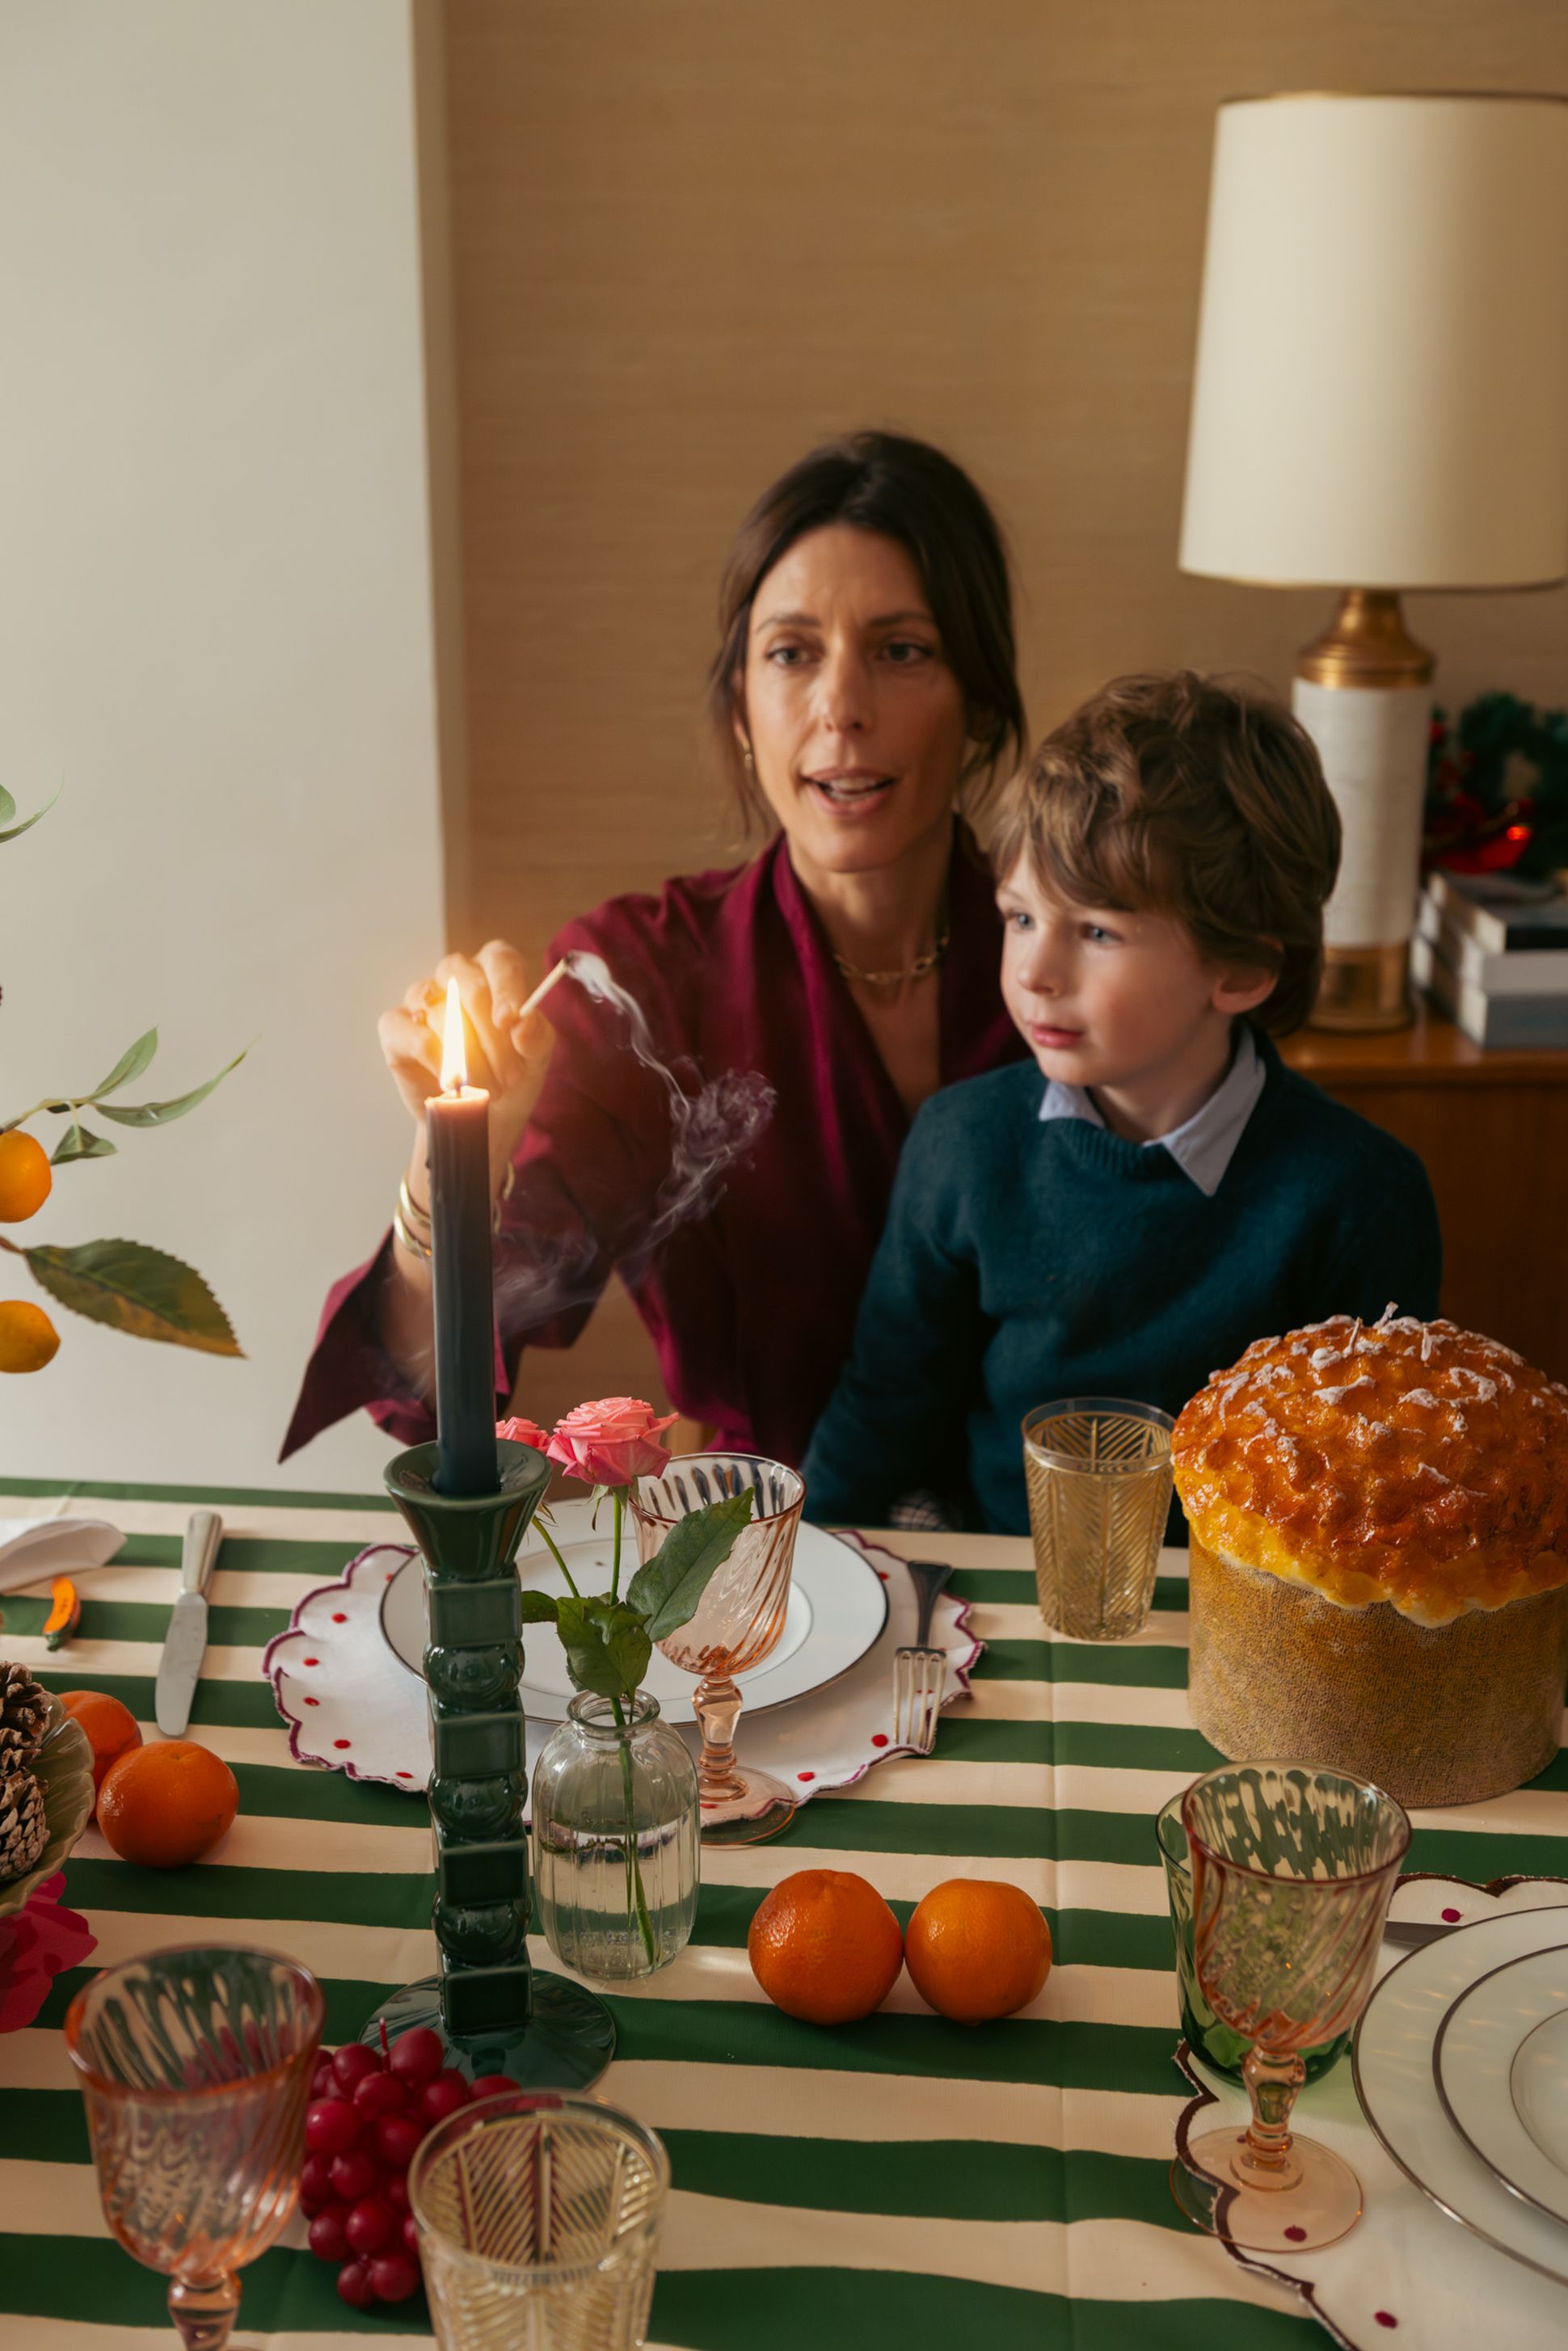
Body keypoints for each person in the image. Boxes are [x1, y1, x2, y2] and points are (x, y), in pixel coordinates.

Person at [282, 432, 1031, 1465]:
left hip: (1040, 1558)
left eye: (901, 649)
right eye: (791, 652)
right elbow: (419, 1385)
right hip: (758, 1562)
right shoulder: (640, 981)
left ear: (980, 702)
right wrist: (458, 1157)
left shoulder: (1080, 958)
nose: (840, 708)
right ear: (739, 711)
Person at [802, 671, 1444, 1534]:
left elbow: (1371, 1495)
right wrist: (788, 1577)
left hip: (1243, 1616)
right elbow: (884, 1409)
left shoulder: (1357, 1197)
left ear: (1243, 969)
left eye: (1096, 931)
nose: (1033, 970)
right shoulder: (961, 1145)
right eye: (1019, 916)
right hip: (1001, 1590)